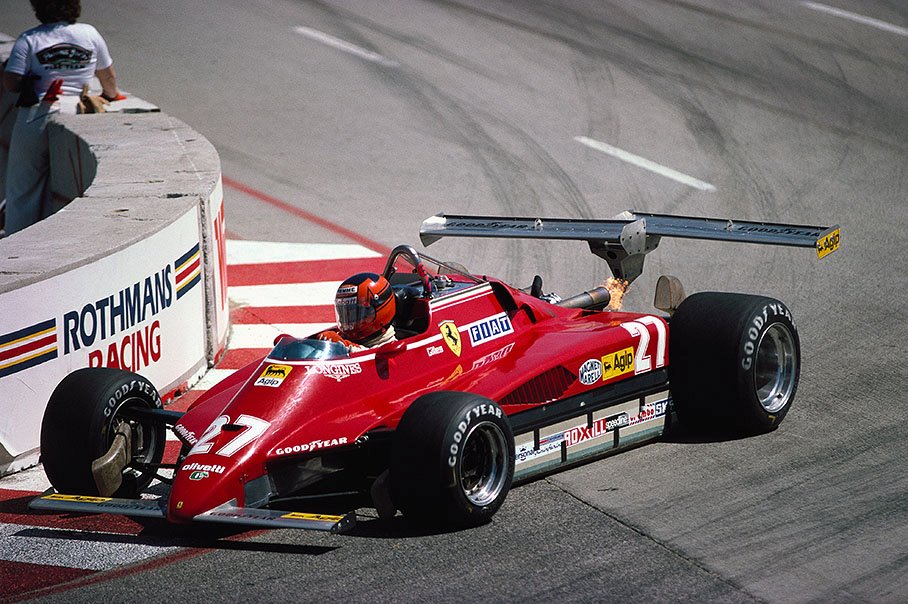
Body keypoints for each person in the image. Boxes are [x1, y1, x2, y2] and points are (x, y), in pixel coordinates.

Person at [2, 0, 123, 235]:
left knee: (23, 186)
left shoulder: (30, 38)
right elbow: (108, 76)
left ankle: (18, 239)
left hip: (36, 114)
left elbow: (11, 83)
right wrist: (110, 95)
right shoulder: (89, 33)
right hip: (76, 112)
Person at [317, 273, 397, 352]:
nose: (348, 321)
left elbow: (369, 354)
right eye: (344, 313)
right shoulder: (343, 336)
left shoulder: (391, 347)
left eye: (354, 314)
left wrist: (340, 344)